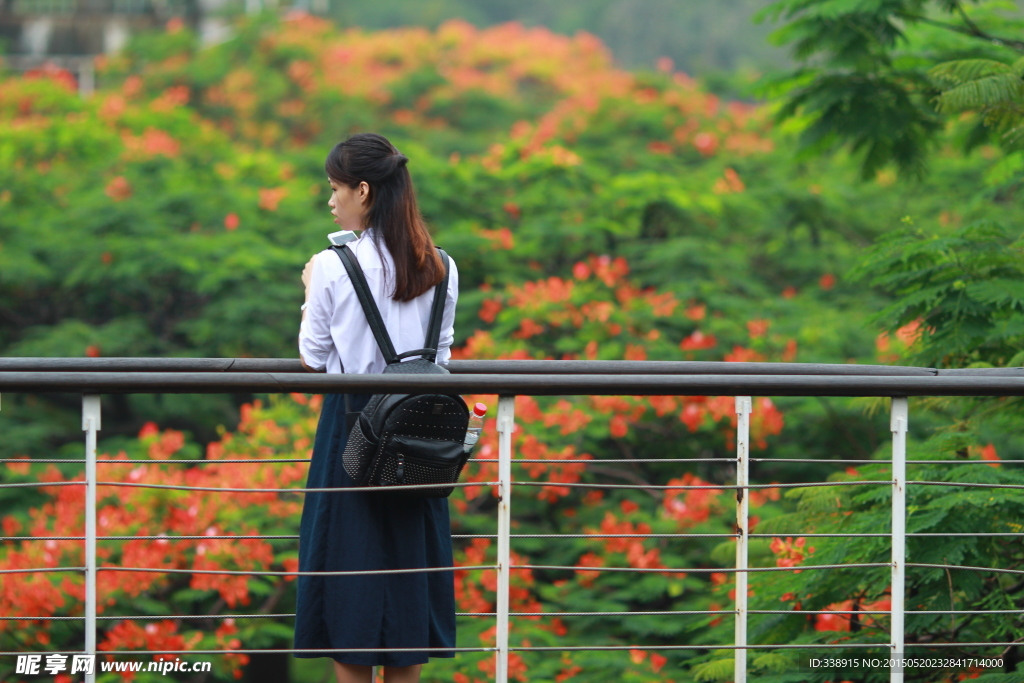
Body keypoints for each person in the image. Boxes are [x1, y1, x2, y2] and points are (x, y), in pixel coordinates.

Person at [294, 133, 459, 683]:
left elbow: (314, 359)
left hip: (352, 427)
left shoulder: (333, 265)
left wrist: (311, 285)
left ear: (363, 190)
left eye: (335, 189)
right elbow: (442, 356)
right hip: (419, 431)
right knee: (407, 589)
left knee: (350, 588)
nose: (331, 201)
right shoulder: (441, 265)